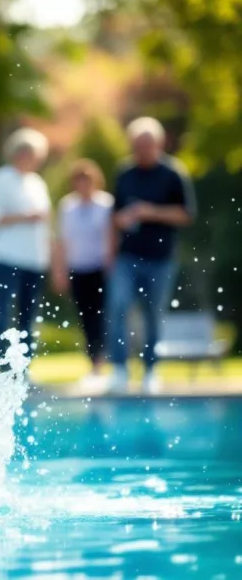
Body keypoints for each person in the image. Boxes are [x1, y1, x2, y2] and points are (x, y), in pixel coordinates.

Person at [106, 116, 196, 393]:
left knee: (152, 315)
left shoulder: (173, 173)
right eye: (137, 145)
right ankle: (119, 369)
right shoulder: (124, 173)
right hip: (127, 256)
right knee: (117, 306)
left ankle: (150, 371)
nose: (142, 150)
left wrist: (151, 211)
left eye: (147, 144)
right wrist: (121, 221)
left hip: (161, 259)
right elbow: (114, 216)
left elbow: (186, 214)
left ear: (159, 143)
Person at [0, 127, 52, 363]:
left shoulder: (37, 183)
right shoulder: (0, 178)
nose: (28, 158)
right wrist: (24, 217)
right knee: (2, 314)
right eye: (24, 152)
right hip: (7, 257)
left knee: (28, 318)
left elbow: (46, 222)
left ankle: (23, 370)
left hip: (35, 259)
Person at [51, 159, 113, 379]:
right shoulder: (67, 207)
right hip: (78, 268)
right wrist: (59, 270)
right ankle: (92, 360)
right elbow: (61, 241)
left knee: (102, 315)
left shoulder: (106, 204)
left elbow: (111, 236)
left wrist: (111, 263)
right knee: (85, 316)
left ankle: (103, 360)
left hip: (100, 268)